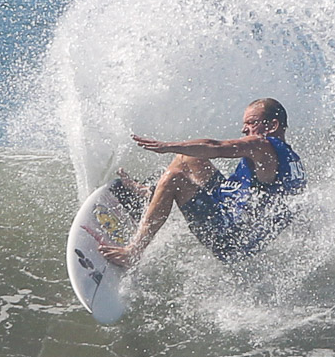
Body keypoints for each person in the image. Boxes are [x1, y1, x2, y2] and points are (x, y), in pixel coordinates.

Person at [99, 97, 307, 267]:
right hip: (231, 210)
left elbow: (215, 147)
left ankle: (133, 251)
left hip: (229, 237)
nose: (245, 130)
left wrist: (168, 146)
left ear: (272, 125)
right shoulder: (292, 161)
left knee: (175, 179)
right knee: (188, 159)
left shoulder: (263, 145)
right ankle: (152, 195)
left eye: (251, 123)